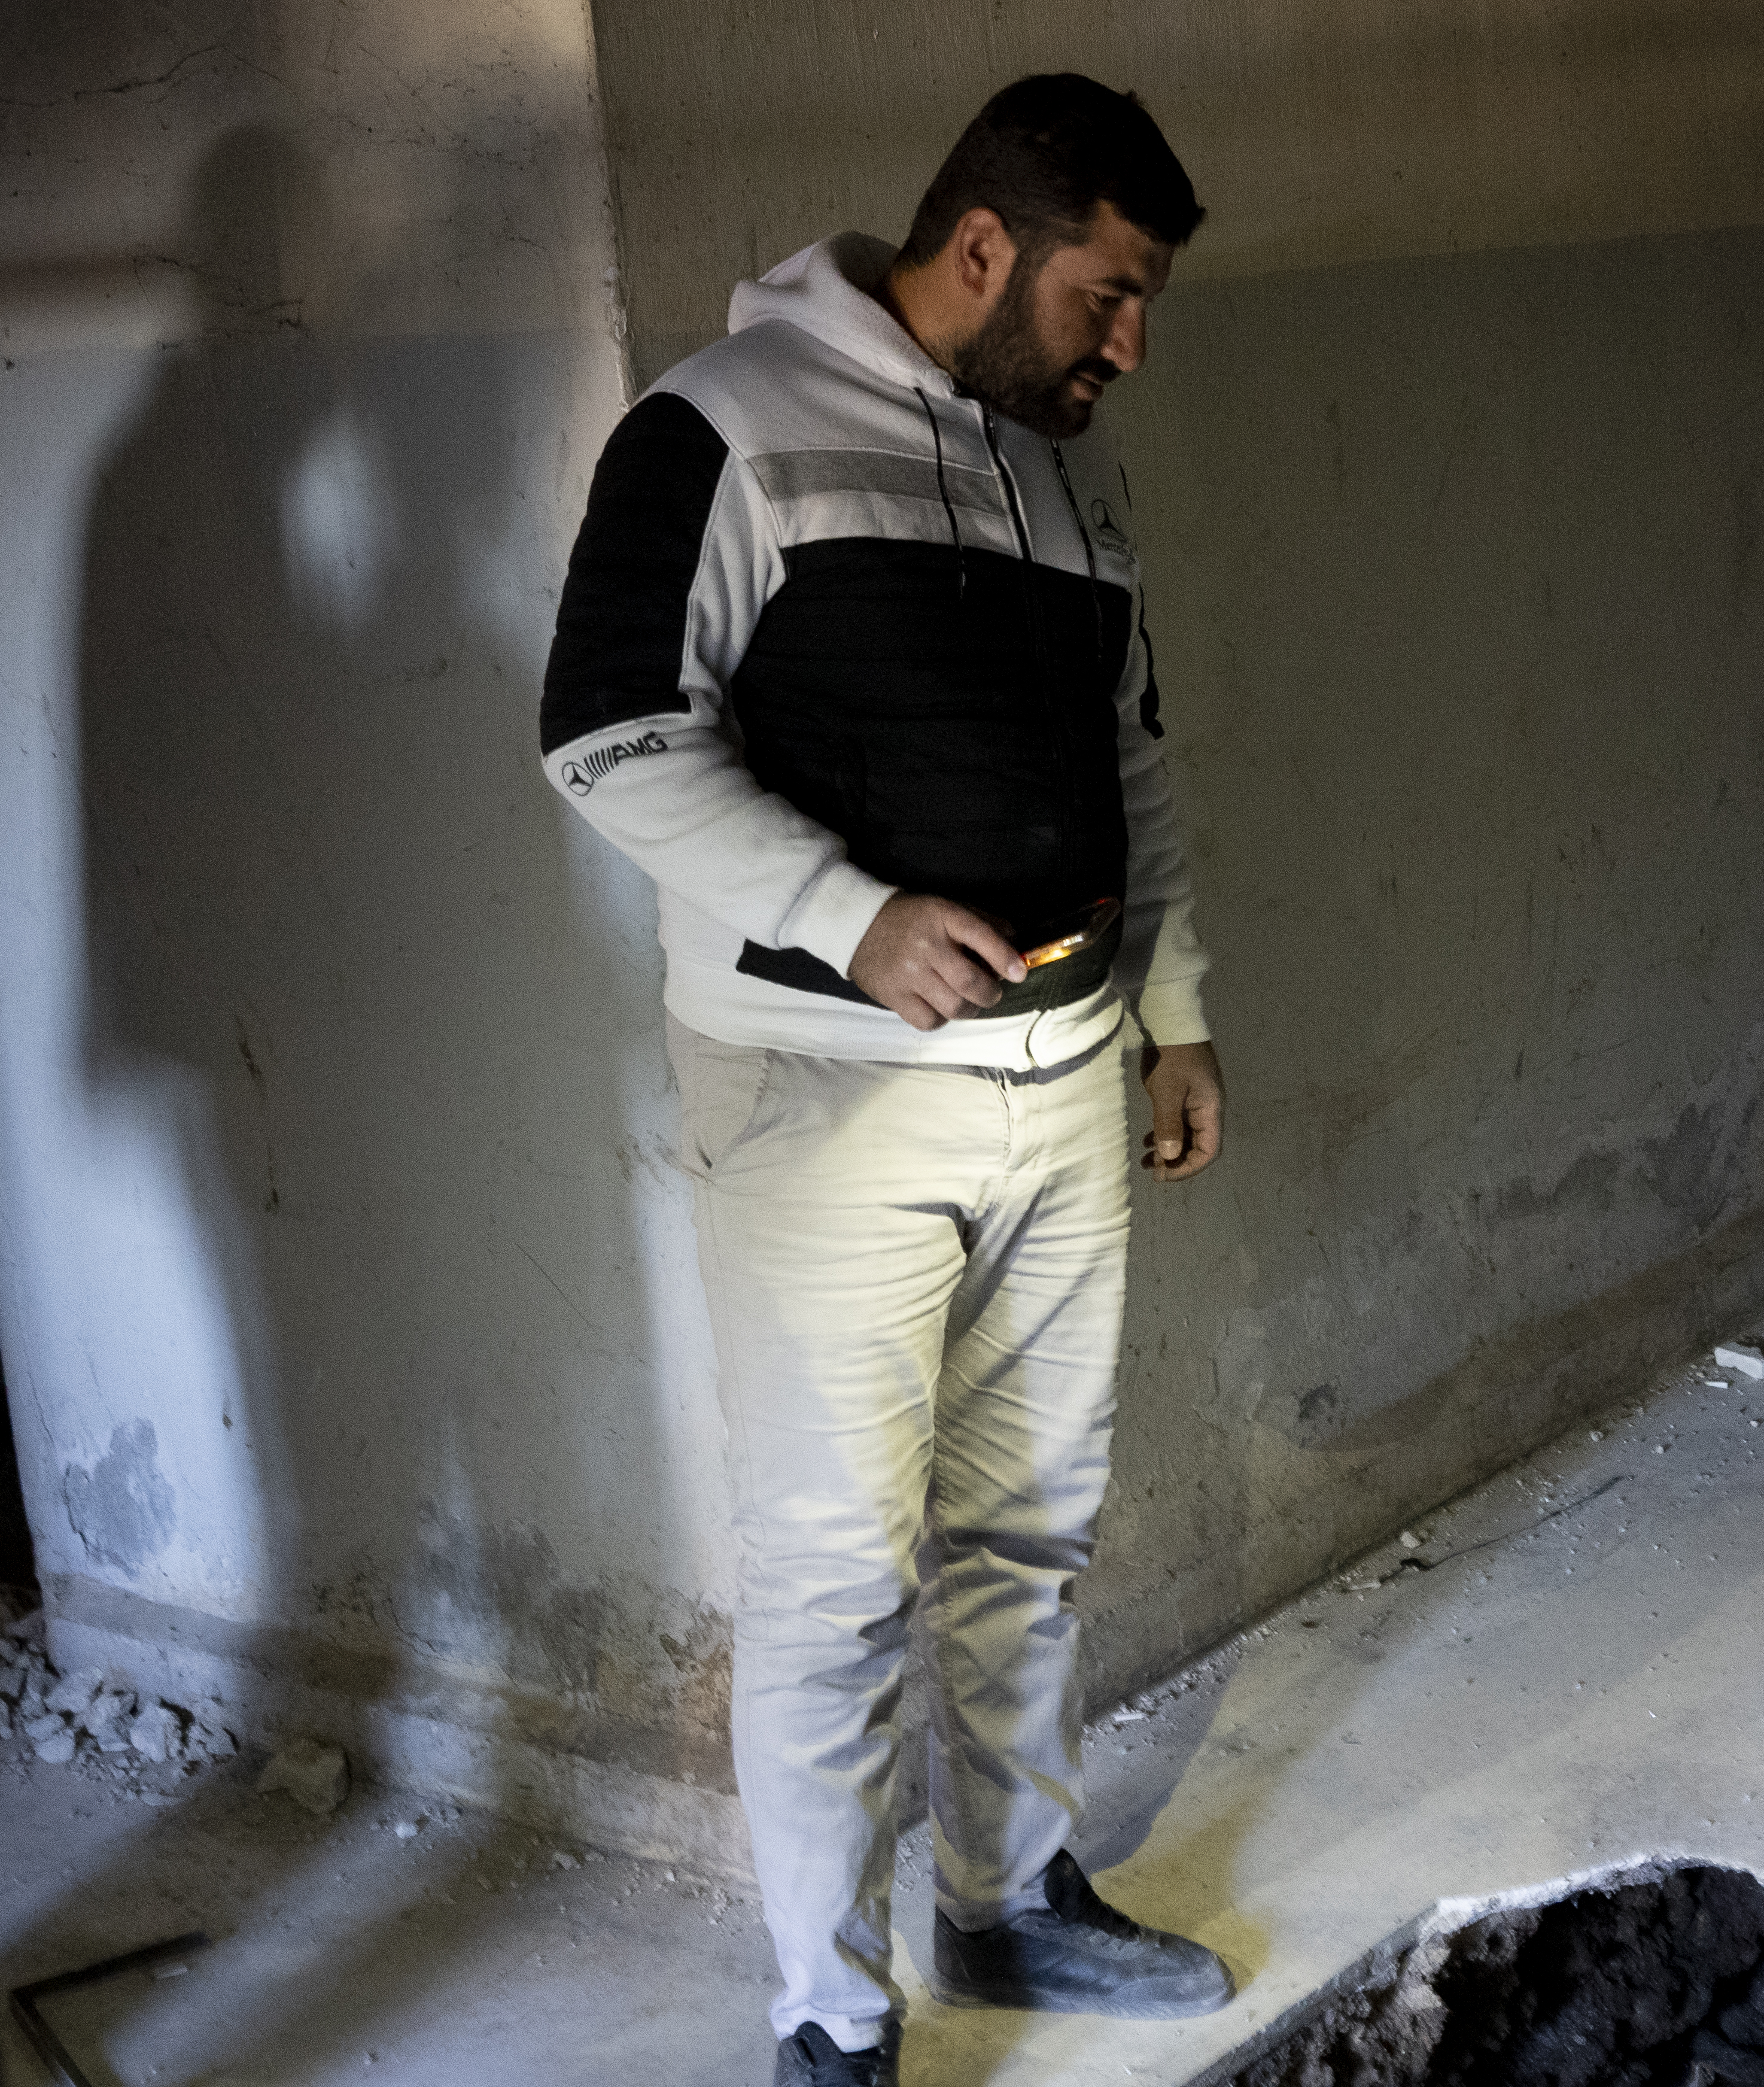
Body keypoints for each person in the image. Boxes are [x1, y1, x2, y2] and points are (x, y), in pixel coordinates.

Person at [536, 74, 1232, 2087]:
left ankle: (1006, 1907)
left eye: (1148, 304)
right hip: (828, 1102)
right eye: (1110, 294)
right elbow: (603, 734)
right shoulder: (720, 427)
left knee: (1033, 1534)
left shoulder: (1077, 482)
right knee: (839, 1580)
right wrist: (845, 914)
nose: (1130, 343)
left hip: (1068, 1075)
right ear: (987, 247)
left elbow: (1140, 769)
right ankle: (834, 2020)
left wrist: (1174, 1014)